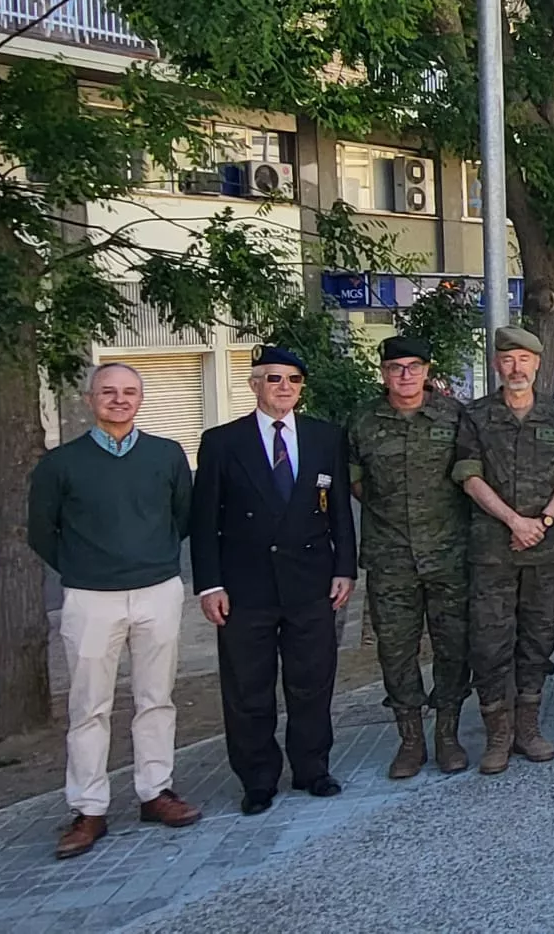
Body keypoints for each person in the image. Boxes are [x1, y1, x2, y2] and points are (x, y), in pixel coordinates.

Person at [30, 364, 201, 858]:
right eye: (109, 392)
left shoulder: (166, 455)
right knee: (89, 706)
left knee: (156, 698)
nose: (119, 400)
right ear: (90, 399)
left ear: (141, 399)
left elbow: (182, 517)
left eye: (129, 392)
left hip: (157, 591)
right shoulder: (61, 464)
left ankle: (155, 791)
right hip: (90, 598)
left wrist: (150, 558)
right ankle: (88, 809)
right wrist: (86, 567)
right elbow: (42, 530)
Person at [192, 346, 356, 816]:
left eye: (293, 380)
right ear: (254, 384)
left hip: (310, 581)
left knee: (312, 681)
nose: (284, 388)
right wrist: (209, 584)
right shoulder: (223, 442)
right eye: (273, 379)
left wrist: (344, 566)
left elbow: (340, 509)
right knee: (248, 687)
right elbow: (205, 520)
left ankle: (312, 768)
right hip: (246, 586)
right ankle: (258, 778)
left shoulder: (326, 438)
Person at [454, 326, 554, 773]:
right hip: (493, 548)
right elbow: (469, 475)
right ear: (496, 365)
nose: (516, 368)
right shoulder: (477, 416)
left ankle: (528, 727)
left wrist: (542, 521)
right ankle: (497, 734)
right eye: (507, 360)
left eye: (524, 359)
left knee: (538, 638)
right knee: (489, 641)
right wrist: (514, 521)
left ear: (538, 363)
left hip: (544, 548)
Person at [350, 335, 472, 778]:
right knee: (396, 651)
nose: (405, 375)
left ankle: (448, 734)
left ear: (426, 370)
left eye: (413, 366)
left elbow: (469, 475)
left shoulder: (452, 415)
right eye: (396, 367)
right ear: (383, 373)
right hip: (391, 559)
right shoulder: (363, 421)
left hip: (448, 554)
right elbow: (356, 483)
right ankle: (410, 740)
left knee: (452, 647)